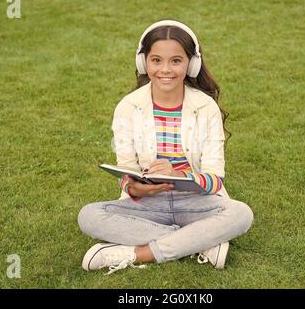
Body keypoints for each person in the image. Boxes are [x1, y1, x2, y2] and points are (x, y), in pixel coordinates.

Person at [78, 20, 253, 275]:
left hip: (196, 202)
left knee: (241, 214)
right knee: (89, 215)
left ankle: (136, 253)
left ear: (191, 64)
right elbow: (126, 169)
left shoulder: (206, 108)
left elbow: (215, 180)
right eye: (156, 60)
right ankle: (199, 243)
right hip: (148, 204)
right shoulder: (128, 107)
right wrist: (134, 188)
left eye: (176, 61)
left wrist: (178, 175)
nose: (165, 70)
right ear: (144, 62)